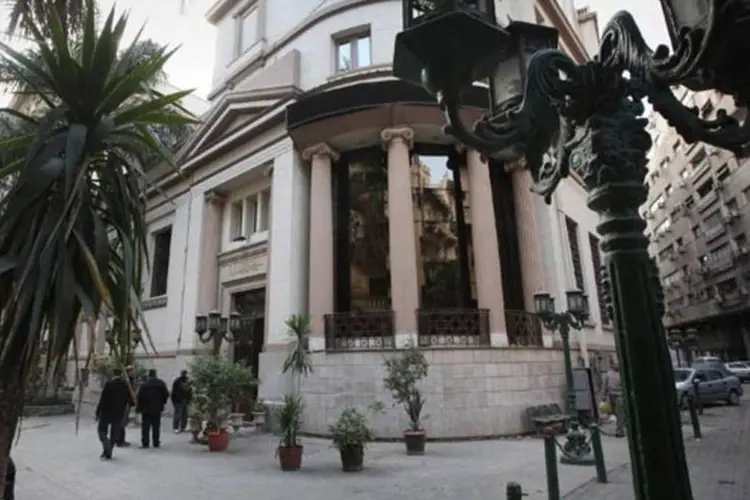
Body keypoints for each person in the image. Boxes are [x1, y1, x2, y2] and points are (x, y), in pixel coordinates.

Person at [96, 368, 133, 459]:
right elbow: (130, 400)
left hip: (106, 412)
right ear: (121, 374)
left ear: (113, 374)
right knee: (114, 432)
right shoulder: (125, 385)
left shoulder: (109, 384)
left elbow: (103, 399)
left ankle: (106, 446)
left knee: (101, 431)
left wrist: (98, 412)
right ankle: (109, 450)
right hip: (119, 413)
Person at [136, 369, 170, 448]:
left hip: (146, 409)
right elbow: (166, 394)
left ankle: (145, 443)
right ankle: (156, 442)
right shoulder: (161, 383)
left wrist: (139, 407)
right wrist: (162, 402)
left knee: (145, 427)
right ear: (155, 374)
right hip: (157, 408)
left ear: (149, 375)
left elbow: (139, 396)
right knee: (156, 426)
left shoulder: (144, 384)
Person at [114, 365, 137, 447]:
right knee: (122, 423)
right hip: (124, 404)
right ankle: (120, 440)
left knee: (122, 422)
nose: (133, 373)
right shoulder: (126, 381)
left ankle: (119, 439)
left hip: (124, 404)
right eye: (131, 371)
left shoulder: (128, 380)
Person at [602, 361, 625, 437]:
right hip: (611, 396)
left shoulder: (622, 373)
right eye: (615, 364)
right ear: (612, 365)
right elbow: (605, 385)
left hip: (620, 395)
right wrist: (604, 396)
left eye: (618, 363)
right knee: (615, 413)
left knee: (620, 413)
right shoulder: (608, 374)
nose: (617, 365)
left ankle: (619, 430)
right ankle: (622, 426)